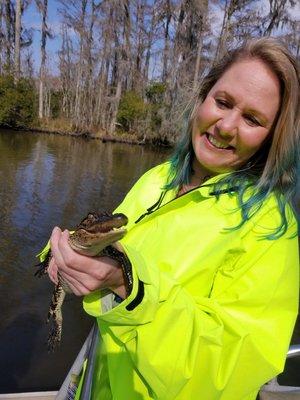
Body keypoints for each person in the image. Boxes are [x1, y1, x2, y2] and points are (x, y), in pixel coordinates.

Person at [48, 37, 299, 400]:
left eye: (252, 119)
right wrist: (60, 254)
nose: (226, 126)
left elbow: (227, 373)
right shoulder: (160, 178)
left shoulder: (271, 229)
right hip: (99, 380)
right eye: (223, 102)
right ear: (203, 98)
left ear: (272, 138)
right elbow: (109, 236)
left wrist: (130, 288)